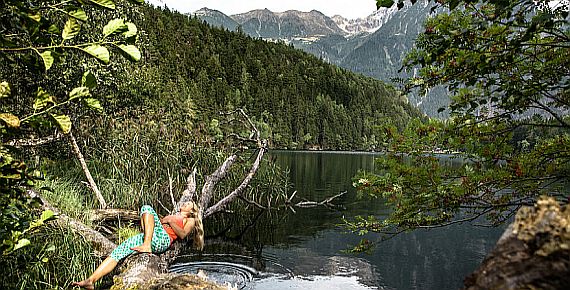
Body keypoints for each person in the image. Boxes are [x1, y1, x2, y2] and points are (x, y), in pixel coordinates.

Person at [73, 202, 204, 289]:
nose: (185, 203)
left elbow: (182, 234)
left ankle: (146, 245)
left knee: (147, 208)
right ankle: (91, 280)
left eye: (188, 204)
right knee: (117, 252)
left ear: (191, 211)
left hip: (162, 239)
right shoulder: (175, 215)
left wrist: (169, 220)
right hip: (152, 236)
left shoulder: (190, 220)